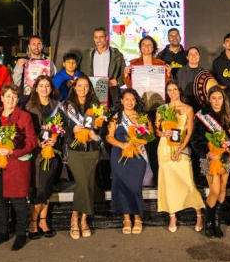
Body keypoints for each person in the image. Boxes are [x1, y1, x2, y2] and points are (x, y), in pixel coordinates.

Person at [0, 84, 38, 250]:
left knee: (18, 201)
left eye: (14, 97)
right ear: (2, 98)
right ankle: (2, 232)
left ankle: (21, 234)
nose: (11, 100)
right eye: (8, 96)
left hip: (17, 164)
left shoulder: (24, 116)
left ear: (18, 100)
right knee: (1, 200)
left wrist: (13, 152)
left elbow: (32, 142)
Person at [155, 80, 204, 232]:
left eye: (175, 89)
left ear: (179, 91)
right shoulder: (162, 109)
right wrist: (163, 133)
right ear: (166, 92)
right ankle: (172, 216)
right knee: (168, 183)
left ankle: (199, 214)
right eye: (169, 90)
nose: (172, 92)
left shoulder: (188, 109)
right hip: (164, 148)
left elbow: (189, 133)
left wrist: (179, 149)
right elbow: (156, 129)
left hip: (181, 148)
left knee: (188, 181)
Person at [63, 76, 107, 239]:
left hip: (92, 150)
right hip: (74, 149)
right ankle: (75, 217)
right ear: (74, 87)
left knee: (87, 183)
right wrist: (72, 130)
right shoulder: (66, 105)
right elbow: (60, 128)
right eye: (80, 85)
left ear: (90, 88)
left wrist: (96, 129)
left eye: (86, 86)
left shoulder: (96, 106)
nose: (83, 89)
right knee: (83, 182)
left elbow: (104, 129)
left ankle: (82, 219)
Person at [106, 89, 152, 234]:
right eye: (127, 99)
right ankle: (126, 219)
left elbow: (151, 135)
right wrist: (121, 144)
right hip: (119, 156)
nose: (130, 102)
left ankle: (137, 217)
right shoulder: (116, 117)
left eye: (132, 99)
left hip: (137, 158)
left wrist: (141, 139)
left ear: (136, 101)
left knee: (135, 187)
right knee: (121, 186)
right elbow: (109, 137)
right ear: (121, 101)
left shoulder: (142, 117)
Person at [191, 86, 230, 238]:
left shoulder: (228, 115)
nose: (217, 101)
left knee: (222, 189)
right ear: (209, 99)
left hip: (225, 157)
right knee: (214, 190)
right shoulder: (202, 115)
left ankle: (216, 222)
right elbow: (195, 138)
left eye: (219, 98)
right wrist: (207, 152)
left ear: (223, 99)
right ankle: (208, 221)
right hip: (210, 157)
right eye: (214, 98)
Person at [25, 75, 62, 239]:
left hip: (52, 151)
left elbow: (61, 126)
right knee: (39, 188)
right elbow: (26, 130)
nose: (44, 89)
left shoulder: (57, 105)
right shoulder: (29, 106)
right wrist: (38, 143)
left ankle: (43, 221)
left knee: (47, 187)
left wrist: (56, 138)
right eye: (41, 86)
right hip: (37, 153)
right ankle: (33, 222)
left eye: (47, 86)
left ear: (51, 88)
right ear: (36, 88)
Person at [80, 27, 125, 107]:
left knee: (110, 114)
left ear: (106, 37)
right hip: (91, 93)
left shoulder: (117, 55)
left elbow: (124, 75)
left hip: (111, 94)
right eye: (96, 37)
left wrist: (117, 81)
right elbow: (82, 73)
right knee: (92, 113)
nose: (98, 40)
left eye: (101, 37)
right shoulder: (87, 54)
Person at [12, 35, 57, 106]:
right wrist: (19, 67)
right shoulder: (22, 62)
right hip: (25, 100)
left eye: (39, 44)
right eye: (33, 44)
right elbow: (16, 82)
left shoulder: (49, 63)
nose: (36, 47)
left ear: (42, 46)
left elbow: (53, 81)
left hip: (43, 99)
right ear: (29, 46)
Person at [176, 47, 206, 114]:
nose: (194, 56)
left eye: (196, 54)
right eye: (191, 54)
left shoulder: (204, 72)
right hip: (184, 104)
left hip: (200, 105)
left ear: (199, 56)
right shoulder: (181, 71)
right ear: (187, 57)